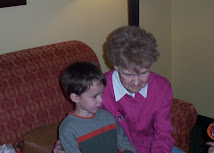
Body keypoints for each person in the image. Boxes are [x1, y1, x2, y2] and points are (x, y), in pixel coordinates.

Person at [54, 26, 184, 153]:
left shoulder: (162, 87)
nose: (137, 82)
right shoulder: (100, 89)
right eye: (128, 74)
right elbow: (83, 122)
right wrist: (64, 146)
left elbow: (163, 133)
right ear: (116, 66)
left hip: (155, 147)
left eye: (144, 72)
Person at [58, 61, 137, 153]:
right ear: (75, 97)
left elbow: (123, 142)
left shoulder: (108, 117)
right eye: (94, 96)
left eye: (101, 94)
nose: (101, 100)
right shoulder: (68, 129)